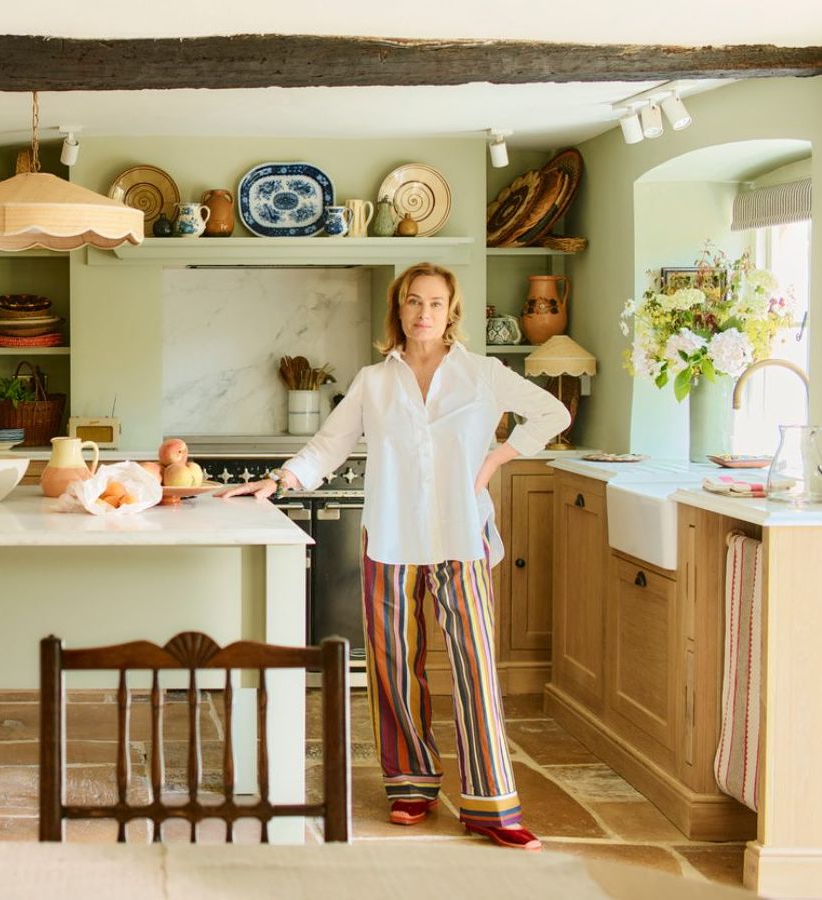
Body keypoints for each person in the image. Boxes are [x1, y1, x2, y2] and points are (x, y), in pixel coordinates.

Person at [218, 262, 570, 850]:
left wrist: (492, 461)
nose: (424, 312)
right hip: (390, 537)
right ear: (399, 309)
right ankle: (411, 785)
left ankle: (491, 807)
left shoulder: (484, 375)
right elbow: (327, 446)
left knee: (476, 668)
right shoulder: (373, 382)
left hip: (461, 538)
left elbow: (554, 414)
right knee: (393, 668)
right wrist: (277, 480)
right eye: (414, 301)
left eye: (435, 302)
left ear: (450, 310)